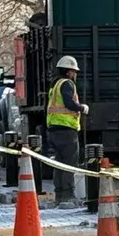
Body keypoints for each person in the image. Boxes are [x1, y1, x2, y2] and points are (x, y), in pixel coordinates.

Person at [46, 55, 89, 205]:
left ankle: (60, 194)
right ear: (69, 72)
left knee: (59, 162)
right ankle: (68, 195)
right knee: (70, 162)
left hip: (54, 129)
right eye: (74, 71)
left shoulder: (55, 85)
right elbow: (69, 103)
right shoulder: (67, 84)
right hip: (66, 130)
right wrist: (82, 108)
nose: (75, 74)